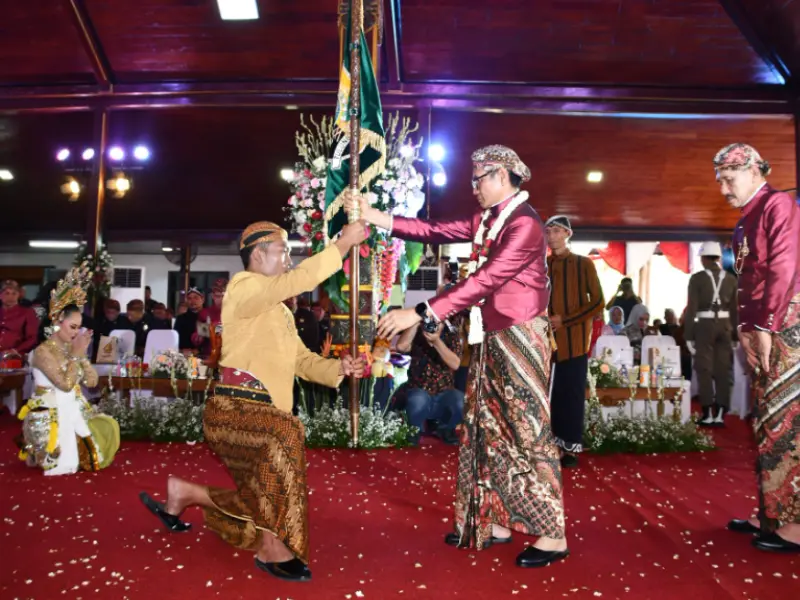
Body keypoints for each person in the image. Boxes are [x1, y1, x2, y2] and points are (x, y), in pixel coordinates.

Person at [345, 144, 568, 568]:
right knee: (489, 426)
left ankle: (552, 535)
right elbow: (433, 231)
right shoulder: (490, 220)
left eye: (479, 179)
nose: (474, 188)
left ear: (502, 177)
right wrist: (376, 217)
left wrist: (420, 309)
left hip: (522, 337)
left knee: (526, 430)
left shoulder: (524, 225)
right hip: (492, 336)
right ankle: (497, 516)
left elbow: (487, 279)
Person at [138, 219, 368, 582]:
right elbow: (295, 281)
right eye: (283, 251)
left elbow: (303, 362)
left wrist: (339, 368)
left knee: (255, 507)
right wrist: (340, 247)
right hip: (236, 409)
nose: (289, 259)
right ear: (258, 254)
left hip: (265, 414)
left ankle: (184, 493)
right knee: (285, 434)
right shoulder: (244, 287)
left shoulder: (280, 311)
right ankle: (273, 548)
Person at [713, 143, 800, 553]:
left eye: (729, 180)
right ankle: (771, 511)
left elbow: (784, 265)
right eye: (721, 182)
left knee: (789, 424)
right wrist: (747, 329)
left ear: (754, 172)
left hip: (786, 325)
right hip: (764, 327)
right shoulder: (746, 218)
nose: (724, 189)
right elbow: (747, 282)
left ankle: (796, 525)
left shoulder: (777, 204)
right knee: (767, 421)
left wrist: (765, 325)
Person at [17, 268, 120, 475]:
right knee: (66, 462)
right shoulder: (41, 352)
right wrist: (76, 354)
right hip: (51, 412)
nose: (76, 333)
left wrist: (80, 355)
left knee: (109, 426)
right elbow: (64, 384)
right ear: (56, 322)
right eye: (72, 327)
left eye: (78, 328)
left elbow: (91, 382)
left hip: (74, 407)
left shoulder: (71, 348)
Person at [544, 215, 604, 467]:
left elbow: (598, 302)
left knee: (571, 396)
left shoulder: (583, 264)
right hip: (544, 343)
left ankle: (569, 449)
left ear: (568, 234)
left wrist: (564, 320)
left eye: (558, 231)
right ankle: (547, 445)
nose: (552, 236)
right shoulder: (541, 265)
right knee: (546, 396)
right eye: (549, 231)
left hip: (574, 343)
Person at [684, 242, 738, 427]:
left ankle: (707, 413)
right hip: (725, 326)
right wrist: (736, 336)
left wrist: (688, 335)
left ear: (704, 258)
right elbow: (734, 310)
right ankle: (721, 414)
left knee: (704, 369)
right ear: (718, 258)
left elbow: (691, 309)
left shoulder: (697, 279)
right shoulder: (731, 279)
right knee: (723, 370)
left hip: (705, 326)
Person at [395, 314, 464, 446]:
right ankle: (414, 429)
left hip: (444, 392)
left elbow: (455, 364)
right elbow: (401, 347)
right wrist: (415, 322)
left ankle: (444, 428)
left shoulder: (451, 334)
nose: (433, 324)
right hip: (419, 389)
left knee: (460, 401)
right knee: (417, 399)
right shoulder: (418, 332)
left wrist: (437, 341)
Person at [0, 279, 39, 355]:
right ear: (0, 295)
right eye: (7, 293)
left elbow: (32, 338)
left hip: (15, 355)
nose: (10, 297)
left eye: (14, 293)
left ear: (18, 295)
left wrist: (17, 350)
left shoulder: (27, 312)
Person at [174, 287, 204, 353]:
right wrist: (181, 350)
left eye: (196, 298)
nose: (192, 301)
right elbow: (175, 340)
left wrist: (199, 350)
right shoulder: (180, 319)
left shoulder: (207, 317)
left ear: (202, 300)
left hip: (204, 356)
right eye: (189, 298)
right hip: (184, 356)